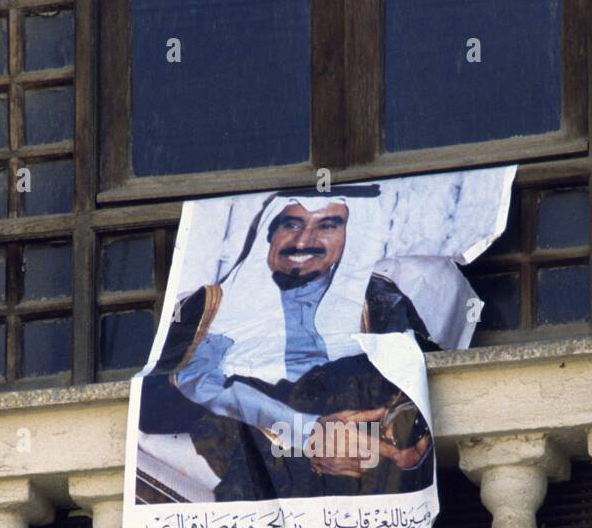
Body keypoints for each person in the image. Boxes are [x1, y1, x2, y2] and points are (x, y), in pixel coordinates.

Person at [138, 188, 436, 503]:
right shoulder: (211, 305)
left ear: (349, 238)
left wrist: (377, 444)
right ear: (269, 235)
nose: (304, 240)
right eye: (291, 225)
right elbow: (159, 399)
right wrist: (306, 431)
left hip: (362, 449)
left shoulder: (377, 300)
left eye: (328, 226)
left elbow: (417, 380)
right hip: (258, 446)